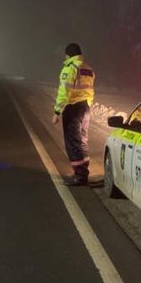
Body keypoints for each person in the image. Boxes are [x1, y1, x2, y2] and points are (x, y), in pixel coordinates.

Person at [52, 43, 96, 186]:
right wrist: (87, 104)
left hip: (73, 108)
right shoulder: (87, 68)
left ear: (68, 55)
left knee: (73, 141)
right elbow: (90, 90)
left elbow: (64, 92)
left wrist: (57, 111)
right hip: (85, 107)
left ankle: (79, 176)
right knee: (82, 139)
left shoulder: (70, 68)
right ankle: (83, 172)